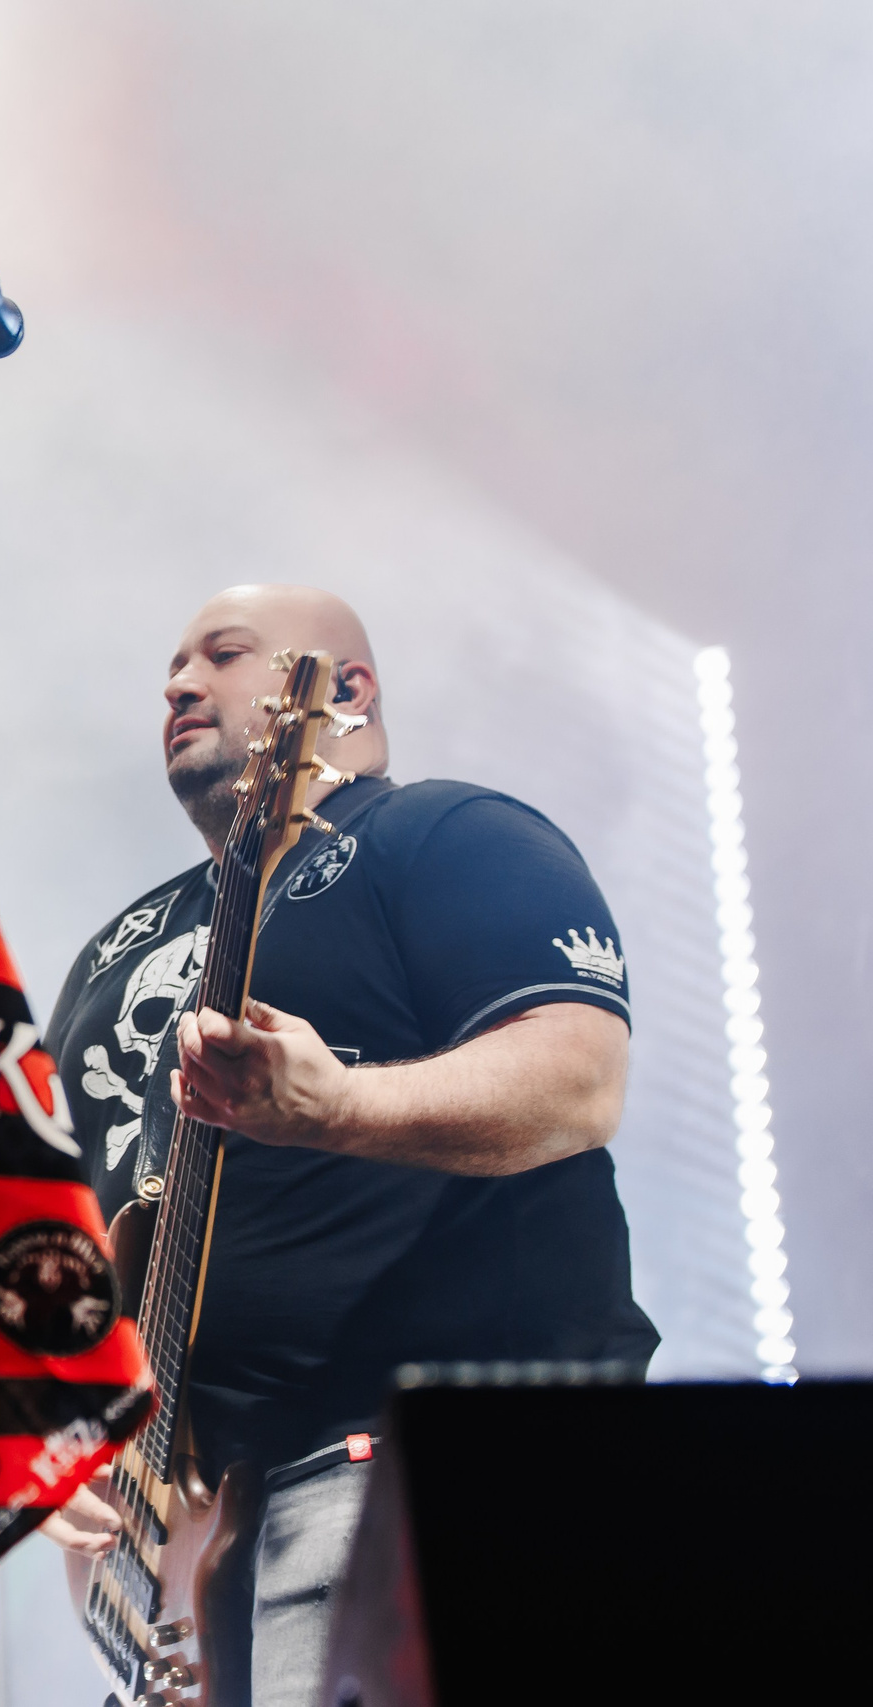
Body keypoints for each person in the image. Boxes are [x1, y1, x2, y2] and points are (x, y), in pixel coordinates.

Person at [38, 584, 656, 1706]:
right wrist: (61, 1439)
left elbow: (578, 1078)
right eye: (169, 670)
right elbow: (61, 1242)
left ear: (339, 694)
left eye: (221, 654)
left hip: (421, 1478)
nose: (179, 684)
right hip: (195, 1545)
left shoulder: (443, 833)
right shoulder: (114, 948)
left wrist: (339, 1109)